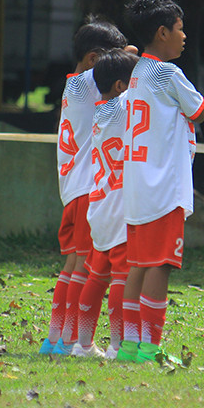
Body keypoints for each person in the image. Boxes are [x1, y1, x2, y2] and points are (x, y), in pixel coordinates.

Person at [117, 0, 204, 363]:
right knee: (161, 265)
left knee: (137, 264)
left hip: (137, 185)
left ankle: (130, 345)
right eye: (180, 29)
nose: (185, 36)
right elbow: (199, 110)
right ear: (162, 33)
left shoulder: (135, 71)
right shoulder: (168, 73)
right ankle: (151, 346)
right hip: (163, 186)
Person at [41, 17, 131, 355]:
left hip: (72, 189)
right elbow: (126, 69)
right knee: (84, 267)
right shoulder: (90, 83)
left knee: (72, 266)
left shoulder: (75, 84)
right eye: (112, 58)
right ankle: (70, 341)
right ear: (94, 59)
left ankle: (55, 339)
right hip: (85, 188)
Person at [71, 49, 138, 359]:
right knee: (122, 279)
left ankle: (83, 344)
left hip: (98, 206)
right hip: (120, 208)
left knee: (96, 278)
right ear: (123, 87)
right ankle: (116, 346)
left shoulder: (100, 111)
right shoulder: (126, 108)